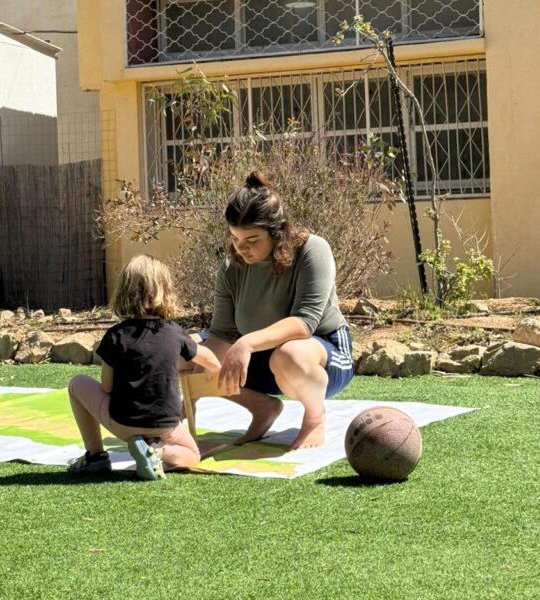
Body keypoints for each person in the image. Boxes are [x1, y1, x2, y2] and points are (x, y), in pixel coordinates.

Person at [200, 171, 354, 450]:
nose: (241, 248)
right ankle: (261, 406)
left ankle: (315, 418)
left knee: (289, 354)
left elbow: (304, 323)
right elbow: (221, 335)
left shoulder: (312, 249)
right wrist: (193, 372)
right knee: (184, 353)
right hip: (261, 360)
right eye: (235, 238)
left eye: (252, 239)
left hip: (320, 357)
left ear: (277, 232)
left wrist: (247, 343)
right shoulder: (231, 269)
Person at [67, 254, 222, 480]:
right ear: (166, 291)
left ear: (124, 291)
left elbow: (107, 387)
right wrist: (215, 372)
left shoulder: (116, 336)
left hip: (124, 422)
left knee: (77, 384)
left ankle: (95, 456)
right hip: (166, 425)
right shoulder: (174, 333)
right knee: (192, 455)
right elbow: (208, 359)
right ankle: (157, 451)